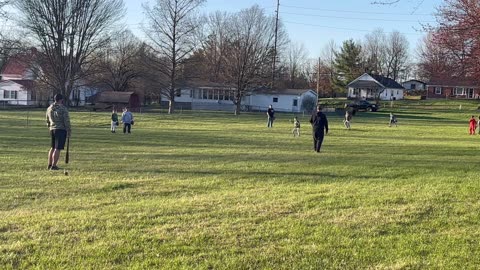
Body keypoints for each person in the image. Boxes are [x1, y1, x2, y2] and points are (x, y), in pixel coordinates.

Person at [46, 94, 71, 170]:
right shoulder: (63, 109)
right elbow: (66, 121)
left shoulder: (49, 108)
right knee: (58, 148)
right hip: (61, 129)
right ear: (61, 99)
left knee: (52, 147)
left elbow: (47, 120)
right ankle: (54, 165)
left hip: (52, 129)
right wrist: (69, 130)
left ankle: (49, 164)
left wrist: (50, 127)